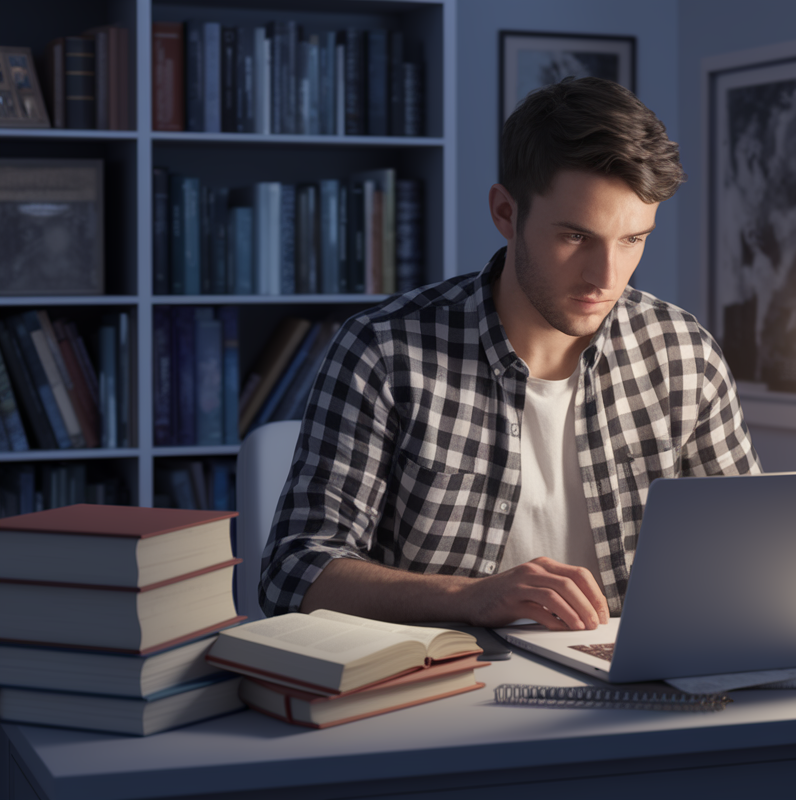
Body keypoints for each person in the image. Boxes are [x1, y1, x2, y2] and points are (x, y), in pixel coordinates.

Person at [259, 76, 761, 631]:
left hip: (634, 690)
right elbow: (293, 572)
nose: (606, 277)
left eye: (632, 240)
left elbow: (752, 555)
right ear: (506, 212)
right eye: (575, 237)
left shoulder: (683, 354)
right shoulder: (384, 351)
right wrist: (471, 598)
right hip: (440, 696)